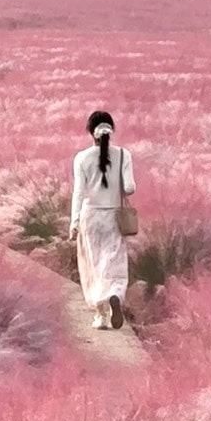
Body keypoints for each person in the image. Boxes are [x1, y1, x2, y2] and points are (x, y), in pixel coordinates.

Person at [69, 110, 136, 330]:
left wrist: (74, 222)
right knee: (114, 261)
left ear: (91, 132)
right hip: (113, 217)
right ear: (112, 130)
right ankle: (115, 294)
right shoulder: (124, 155)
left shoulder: (82, 158)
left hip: (90, 217)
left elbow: (78, 192)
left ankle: (100, 315)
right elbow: (130, 187)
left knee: (93, 264)